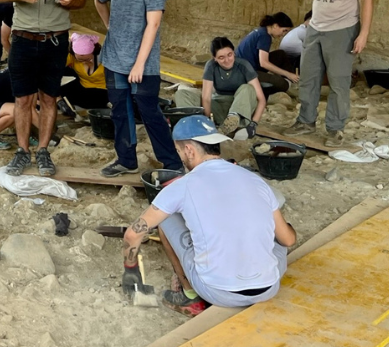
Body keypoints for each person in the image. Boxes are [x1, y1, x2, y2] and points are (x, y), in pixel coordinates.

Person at [121, 115, 296, 316]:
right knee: (277, 234)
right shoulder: (255, 181)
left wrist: (131, 271)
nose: (180, 157)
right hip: (268, 288)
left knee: (165, 218)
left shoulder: (182, 186)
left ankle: (190, 296)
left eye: (179, 151)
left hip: (218, 291)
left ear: (189, 150)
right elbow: (289, 239)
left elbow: (132, 235)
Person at [0, 0, 88, 177]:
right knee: (23, 99)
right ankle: (22, 151)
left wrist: (72, 0)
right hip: (22, 39)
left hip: (55, 40)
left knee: (48, 98)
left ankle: (43, 150)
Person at [94, 0, 182, 176]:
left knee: (149, 110)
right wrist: (109, 24)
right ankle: (126, 159)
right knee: (120, 109)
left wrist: (139, 64)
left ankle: (172, 163)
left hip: (142, 62)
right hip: (114, 57)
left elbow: (153, 24)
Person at [285, 0, 373, 144]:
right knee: (309, 77)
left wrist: (363, 34)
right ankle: (305, 121)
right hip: (316, 27)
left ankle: (335, 128)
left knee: (338, 82)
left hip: (342, 29)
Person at [175, 37, 266, 141]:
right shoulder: (211, 66)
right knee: (182, 94)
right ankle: (194, 124)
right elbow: (206, 98)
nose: (227, 60)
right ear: (215, 58)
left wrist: (253, 124)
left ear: (234, 52)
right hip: (219, 105)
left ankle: (232, 121)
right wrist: (208, 121)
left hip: (241, 107)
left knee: (247, 88)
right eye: (221, 57)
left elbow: (261, 99)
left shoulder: (244, 65)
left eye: (229, 55)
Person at [237, 13, 298, 94]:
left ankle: (294, 83)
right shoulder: (264, 36)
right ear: (275, 26)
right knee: (282, 83)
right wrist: (288, 74)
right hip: (244, 73)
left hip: (250, 65)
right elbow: (264, 63)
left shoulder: (261, 31)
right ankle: (285, 87)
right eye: (284, 31)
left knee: (280, 55)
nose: (283, 34)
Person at [62, 32, 108, 111]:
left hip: (102, 90)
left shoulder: (105, 58)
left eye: (87, 59)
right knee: (51, 92)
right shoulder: (72, 56)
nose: (84, 62)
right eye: (80, 60)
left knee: (92, 101)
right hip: (82, 87)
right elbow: (54, 68)